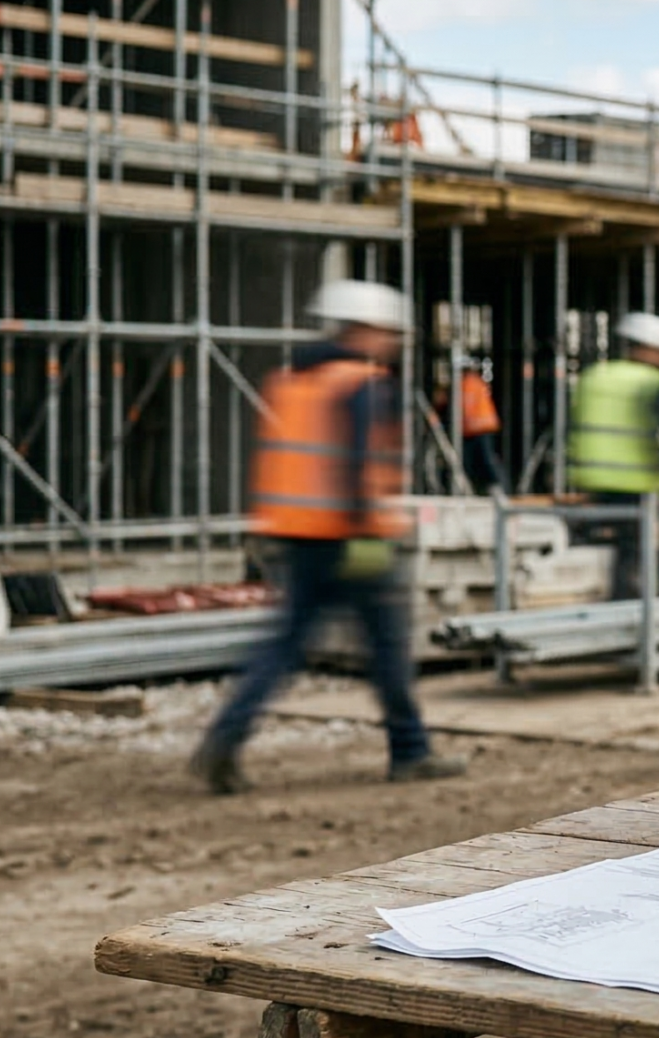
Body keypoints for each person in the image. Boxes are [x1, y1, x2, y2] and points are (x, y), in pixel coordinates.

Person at [193, 280, 466, 794]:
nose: (392, 344)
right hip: (351, 536)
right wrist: (368, 536)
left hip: (295, 536)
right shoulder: (359, 383)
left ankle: (225, 738)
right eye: (387, 333)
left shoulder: (292, 380)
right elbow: (357, 464)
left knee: (283, 647)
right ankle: (410, 751)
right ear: (362, 330)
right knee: (387, 644)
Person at [567, 312, 659, 599]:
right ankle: (638, 616)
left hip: (590, 479)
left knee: (615, 549)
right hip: (635, 484)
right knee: (636, 554)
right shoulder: (654, 383)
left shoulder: (594, 376)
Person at [434, 362, 506, 492]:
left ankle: (496, 487)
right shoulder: (476, 382)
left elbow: (451, 405)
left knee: (483, 460)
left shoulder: (463, 384)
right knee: (484, 459)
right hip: (481, 427)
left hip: (476, 428)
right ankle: (495, 488)